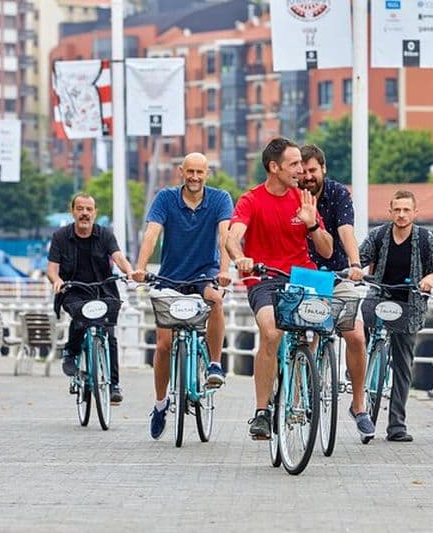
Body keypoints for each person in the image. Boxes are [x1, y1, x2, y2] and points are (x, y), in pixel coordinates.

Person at [226, 137, 333, 439]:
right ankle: (262, 411)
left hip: (303, 275)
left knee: (319, 325)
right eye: (294, 164)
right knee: (271, 332)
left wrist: (312, 225)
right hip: (264, 276)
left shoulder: (304, 198)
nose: (301, 170)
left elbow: (326, 250)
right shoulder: (251, 200)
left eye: (302, 163)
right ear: (274, 167)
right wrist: (241, 258)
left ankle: (302, 381)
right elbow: (232, 237)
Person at [131, 152, 233, 441]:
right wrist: (140, 267)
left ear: (207, 174)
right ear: (181, 172)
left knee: (216, 299)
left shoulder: (220, 199)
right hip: (170, 278)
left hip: (204, 274)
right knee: (163, 344)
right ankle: (160, 404)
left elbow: (225, 237)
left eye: (200, 172)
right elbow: (152, 234)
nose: (195, 177)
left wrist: (225, 271)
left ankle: (214, 364)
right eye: (190, 171)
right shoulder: (166, 198)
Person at [299, 143, 375, 441]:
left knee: (355, 335)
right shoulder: (291, 195)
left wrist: (355, 264)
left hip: (338, 273)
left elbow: (346, 230)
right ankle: (300, 392)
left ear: (323, 169)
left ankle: (358, 405)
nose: (308, 176)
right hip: (305, 276)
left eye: (313, 170)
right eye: (303, 171)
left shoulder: (338, 193)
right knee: (305, 334)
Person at [359, 190, 433, 442]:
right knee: (362, 317)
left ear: (415, 212)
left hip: (409, 302)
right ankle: (361, 363)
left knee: (403, 364)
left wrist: (430, 278)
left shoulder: (424, 238)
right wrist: (354, 269)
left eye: (406, 210)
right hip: (380, 295)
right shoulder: (378, 235)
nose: (401, 214)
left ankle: (396, 425)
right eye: (397, 210)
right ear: (390, 212)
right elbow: (359, 258)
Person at [47, 193, 134, 405]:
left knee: (109, 334)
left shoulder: (105, 235)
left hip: (103, 290)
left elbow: (118, 257)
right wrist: (56, 280)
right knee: (79, 319)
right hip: (73, 290)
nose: (84, 213)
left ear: (95, 213)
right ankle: (71, 351)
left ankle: (114, 385)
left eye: (88, 209)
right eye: (80, 209)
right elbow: (52, 269)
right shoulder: (60, 236)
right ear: (72, 212)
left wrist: (130, 272)